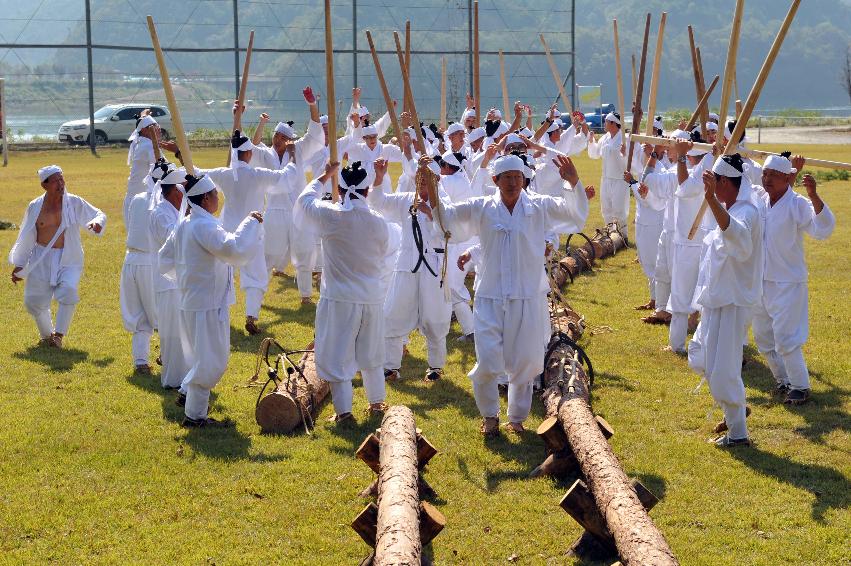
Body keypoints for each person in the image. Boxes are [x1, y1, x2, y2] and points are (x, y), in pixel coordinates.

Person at [432, 154, 593, 435]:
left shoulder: (539, 206)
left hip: (528, 296)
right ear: (495, 180)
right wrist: (432, 193)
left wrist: (573, 181)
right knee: (488, 360)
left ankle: (516, 418)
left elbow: (573, 215)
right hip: (490, 297)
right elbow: (449, 221)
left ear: (524, 179)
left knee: (527, 359)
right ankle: (490, 416)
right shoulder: (482, 207)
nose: (513, 183)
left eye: (517, 178)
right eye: (507, 178)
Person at [158, 173, 264, 427]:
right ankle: (194, 414)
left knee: (203, 358)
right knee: (212, 361)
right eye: (216, 194)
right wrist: (251, 222)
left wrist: (187, 277)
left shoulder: (186, 224)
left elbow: (164, 259)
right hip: (206, 303)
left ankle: (189, 395)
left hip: (193, 300)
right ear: (205, 198)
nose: (218, 198)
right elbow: (234, 249)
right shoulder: (203, 226)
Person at [296, 161, 391, 423]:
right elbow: (383, 253)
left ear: (340, 187)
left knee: (338, 356)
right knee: (371, 354)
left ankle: (344, 413)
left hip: (339, 298)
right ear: (368, 190)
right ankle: (376, 404)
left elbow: (304, 202)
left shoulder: (331, 216)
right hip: (371, 297)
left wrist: (324, 175)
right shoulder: (379, 222)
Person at [687, 154, 762, 447]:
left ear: (726, 182)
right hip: (716, 300)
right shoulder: (729, 208)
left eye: (714, 182)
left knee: (724, 373)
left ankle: (738, 433)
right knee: (700, 357)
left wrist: (712, 200)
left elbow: (738, 238)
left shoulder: (747, 213)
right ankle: (737, 409)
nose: (711, 188)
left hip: (734, 302)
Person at [196, 129, 299, 334]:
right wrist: (294, 157)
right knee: (256, 275)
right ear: (249, 154)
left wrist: (180, 155)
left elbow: (198, 172)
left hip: (226, 231)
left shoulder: (224, 174)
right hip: (251, 230)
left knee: (222, 272)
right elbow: (285, 177)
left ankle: (216, 312)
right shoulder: (256, 174)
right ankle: (251, 316)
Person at [751, 155, 835, 405]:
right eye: (765, 174)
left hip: (788, 283)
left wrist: (814, 195)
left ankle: (800, 386)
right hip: (761, 280)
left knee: (787, 338)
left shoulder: (797, 204)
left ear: (788, 178)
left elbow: (823, 229)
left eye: (773, 176)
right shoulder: (759, 200)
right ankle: (783, 380)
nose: (766, 180)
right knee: (764, 337)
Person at [369, 157, 453, 383]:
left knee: (435, 318)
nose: (422, 184)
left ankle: (435, 367)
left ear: (436, 180)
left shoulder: (444, 203)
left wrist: (429, 212)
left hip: (433, 269)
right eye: (419, 179)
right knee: (394, 314)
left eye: (427, 180)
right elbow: (378, 202)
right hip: (406, 266)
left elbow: (450, 231)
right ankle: (391, 367)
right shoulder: (406, 199)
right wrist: (379, 177)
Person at [9, 165, 106, 348]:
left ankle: (59, 336)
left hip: (69, 258)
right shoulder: (35, 206)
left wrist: (97, 222)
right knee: (33, 302)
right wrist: (20, 264)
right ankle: (48, 336)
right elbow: (27, 235)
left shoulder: (74, 202)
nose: (61, 184)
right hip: (41, 257)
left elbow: (98, 214)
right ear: (44, 185)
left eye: (62, 179)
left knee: (68, 290)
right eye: (55, 181)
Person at [251, 86, 324, 276]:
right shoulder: (266, 154)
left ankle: (307, 290)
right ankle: (260, 286)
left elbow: (314, 135)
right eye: (276, 135)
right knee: (270, 252)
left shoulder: (298, 149)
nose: (278, 140)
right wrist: (252, 122)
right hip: (275, 211)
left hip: (297, 209)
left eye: (283, 137)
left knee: (303, 251)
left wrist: (312, 105)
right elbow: (250, 146)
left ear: (290, 140)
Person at [120, 156, 164, 374]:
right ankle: (168, 355)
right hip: (149, 261)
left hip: (130, 260)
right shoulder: (160, 205)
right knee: (162, 311)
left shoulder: (136, 198)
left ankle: (140, 361)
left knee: (139, 314)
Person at [149, 161, 191, 390]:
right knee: (172, 331)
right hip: (167, 281)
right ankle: (174, 379)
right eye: (183, 186)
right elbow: (172, 240)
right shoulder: (161, 213)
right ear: (175, 191)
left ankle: (185, 374)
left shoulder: (176, 211)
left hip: (181, 279)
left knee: (183, 329)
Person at [587, 112, 629, 238]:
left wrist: (625, 153)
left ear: (613, 123)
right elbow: (595, 153)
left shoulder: (624, 138)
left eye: (606, 121)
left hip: (620, 179)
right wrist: (591, 141)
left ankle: (622, 236)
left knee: (619, 209)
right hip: (605, 179)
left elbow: (631, 160)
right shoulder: (605, 138)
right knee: (606, 209)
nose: (604, 124)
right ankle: (610, 235)